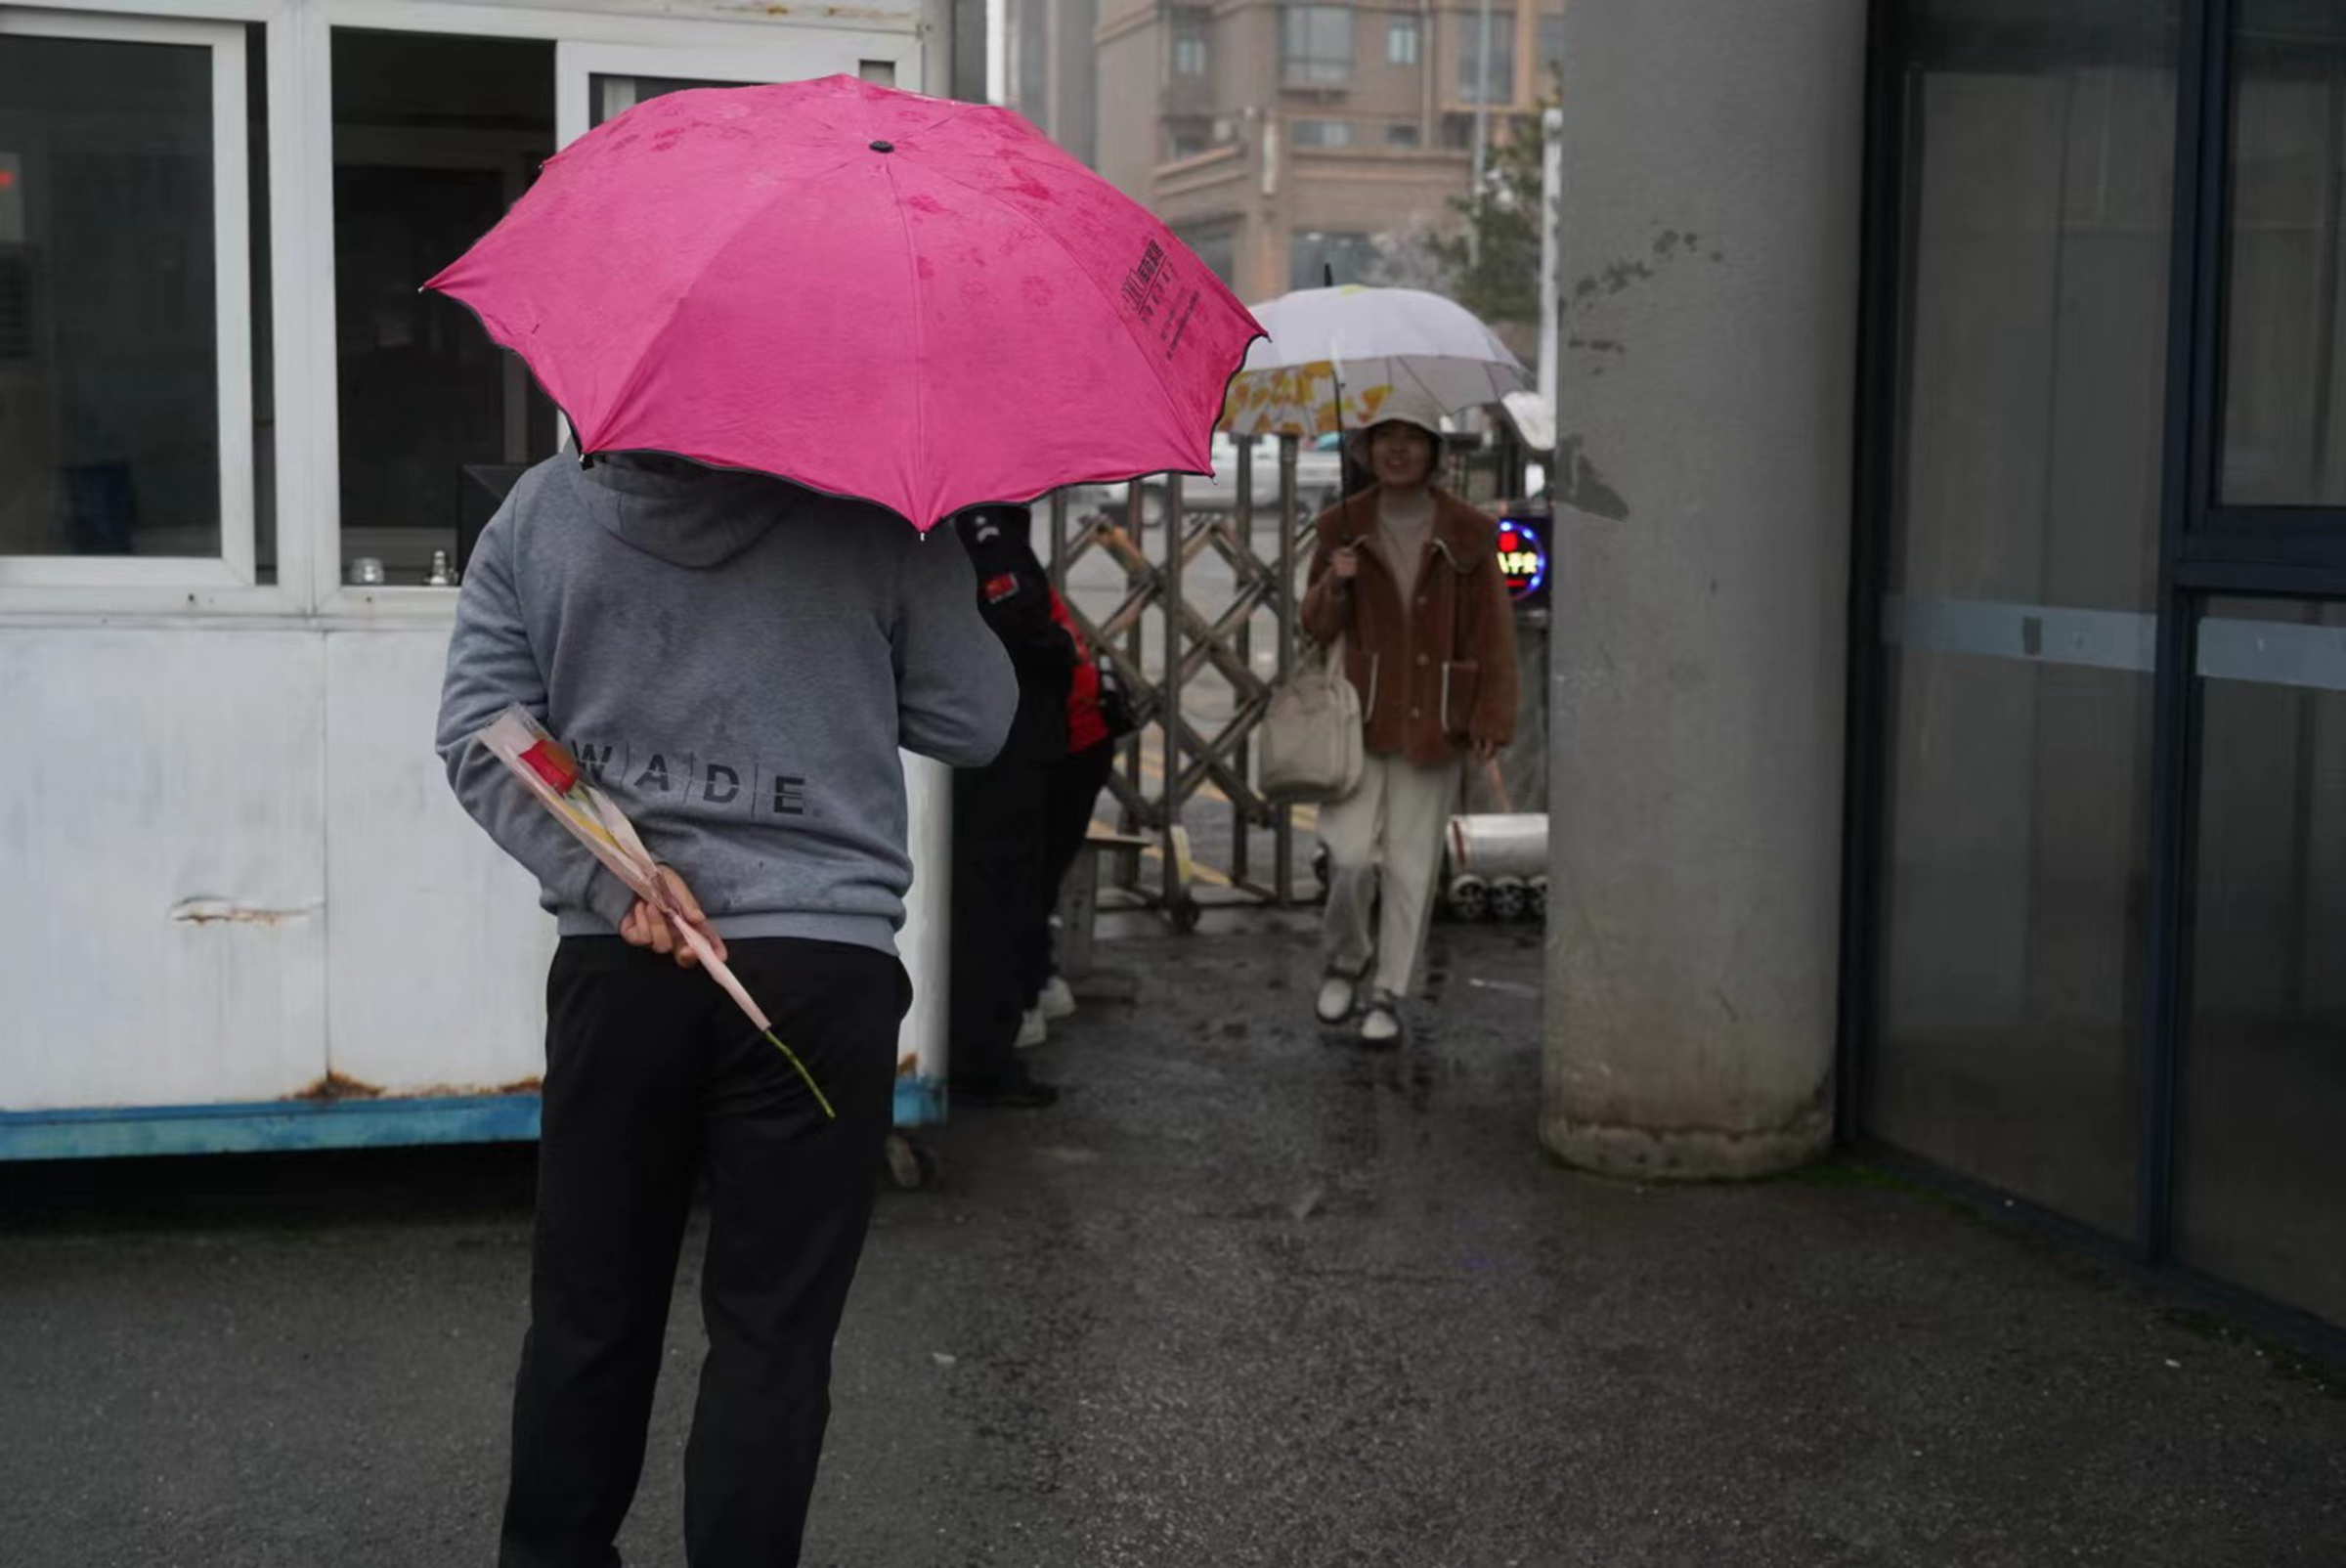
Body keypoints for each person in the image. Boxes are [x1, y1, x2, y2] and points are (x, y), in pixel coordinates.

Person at [435, 450, 1016, 1568]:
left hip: (622, 964)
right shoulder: (878, 512)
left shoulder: (546, 511)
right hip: (820, 966)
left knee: (589, 1314)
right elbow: (975, 719)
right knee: (772, 1334)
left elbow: (486, 730)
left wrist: (618, 873)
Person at [1298, 409, 1518, 1045]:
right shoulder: (1340, 525)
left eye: (1412, 439)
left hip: (1436, 715)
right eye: (1386, 438)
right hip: (1358, 719)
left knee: (1410, 866)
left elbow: (1492, 631)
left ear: (1434, 450)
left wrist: (1491, 714)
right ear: (1366, 449)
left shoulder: (1469, 532)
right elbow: (1314, 626)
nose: (1398, 451)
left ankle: (1389, 991)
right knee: (1347, 857)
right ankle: (1346, 960)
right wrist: (1336, 584)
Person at [946, 502, 1074, 1109]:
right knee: (996, 897)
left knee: (994, 893)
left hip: (998, 742)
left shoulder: (981, 521)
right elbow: (1016, 616)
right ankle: (983, 1057)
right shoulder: (984, 526)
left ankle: (982, 1043)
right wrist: (1061, 649)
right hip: (1004, 744)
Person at [1027, 585, 1124, 1024]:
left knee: (1022, 872)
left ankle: (1030, 988)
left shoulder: (988, 567)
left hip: (1065, 741)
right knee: (1034, 874)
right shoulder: (1013, 568)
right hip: (1077, 737)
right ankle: (1037, 981)